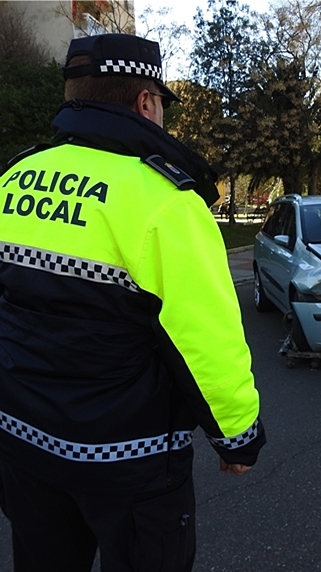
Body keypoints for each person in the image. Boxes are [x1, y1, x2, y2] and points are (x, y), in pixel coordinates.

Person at [0, 34, 265, 571]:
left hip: (21, 445)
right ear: (146, 101)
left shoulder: (11, 178)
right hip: (128, 461)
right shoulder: (165, 201)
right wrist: (237, 436)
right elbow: (203, 339)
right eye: (162, 103)